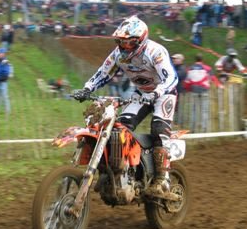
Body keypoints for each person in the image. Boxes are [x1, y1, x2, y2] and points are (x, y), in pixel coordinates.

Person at [72, 15, 179, 200]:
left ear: (140, 40)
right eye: (121, 41)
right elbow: (103, 73)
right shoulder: (117, 55)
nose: (124, 46)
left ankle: (162, 180)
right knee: (119, 128)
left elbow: (171, 77)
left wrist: (157, 92)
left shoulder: (155, 51)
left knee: (158, 130)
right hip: (141, 93)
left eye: (129, 42)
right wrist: (87, 88)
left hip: (164, 93)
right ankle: (123, 171)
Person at [183, 54, 213, 133]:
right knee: (204, 110)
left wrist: (188, 89)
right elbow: (211, 79)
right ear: (202, 59)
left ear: (195, 59)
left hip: (194, 90)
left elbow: (187, 81)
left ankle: (193, 129)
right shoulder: (208, 68)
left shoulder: (190, 68)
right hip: (204, 90)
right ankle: (204, 129)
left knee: (193, 110)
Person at [0, 48, 13, 114]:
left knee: (4, 97)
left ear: (3, 54)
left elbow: (8, 70)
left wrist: (4, 77)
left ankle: (8, 111)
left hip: (2, 82)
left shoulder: (5, 62)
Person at [171, 53, 188, 126]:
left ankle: (178, 122)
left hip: (179, 91)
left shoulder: (182, 68)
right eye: (173, 59)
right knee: (173, 106)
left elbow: (178, 76)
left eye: (175, 59)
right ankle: (173, 121)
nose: (174, 60)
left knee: (178, 107)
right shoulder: (174, 67)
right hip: (174, 90)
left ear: (180, 60)